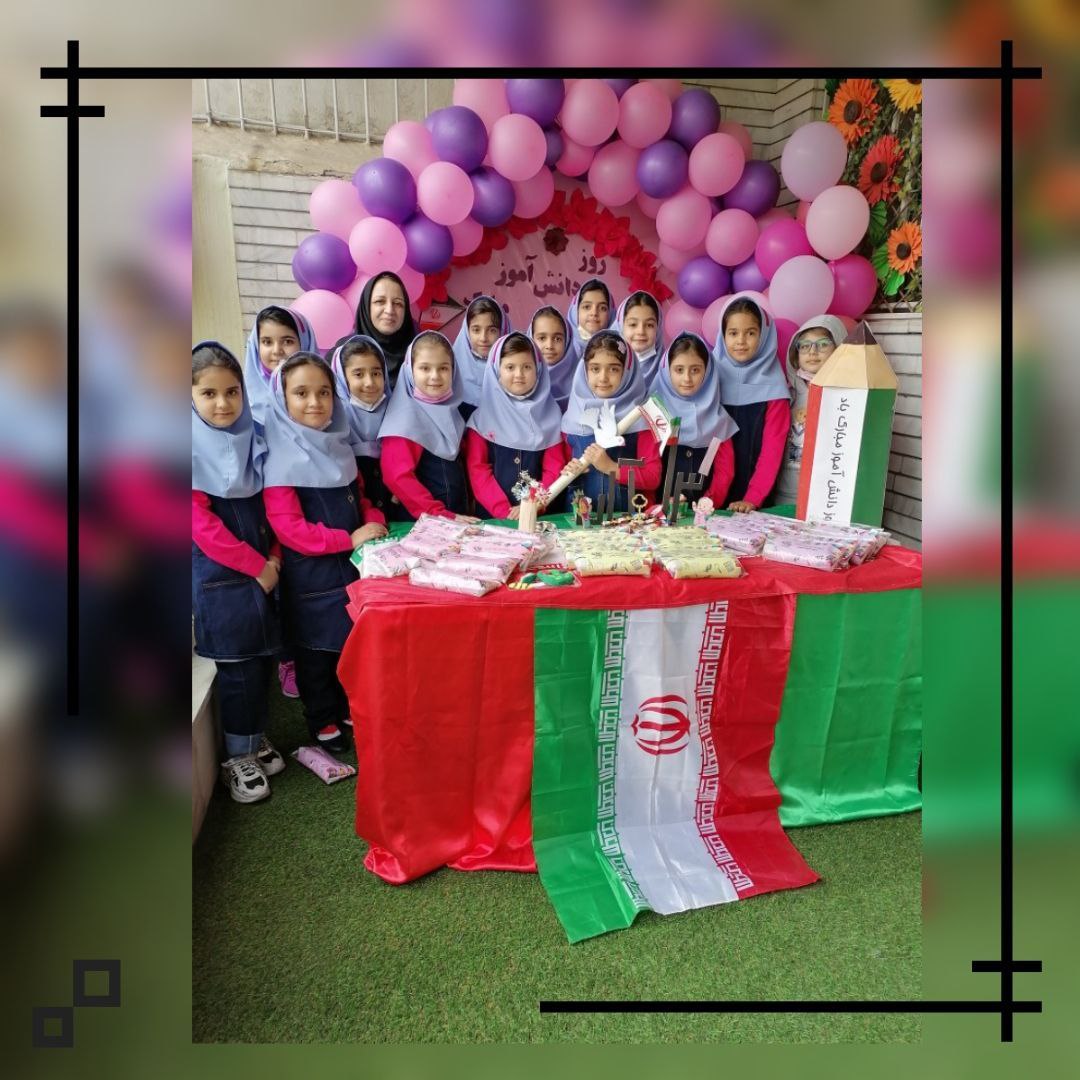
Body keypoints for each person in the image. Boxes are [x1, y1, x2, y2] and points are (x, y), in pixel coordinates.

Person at [262, 352, 387, 753]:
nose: (315, 402)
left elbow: (359, 496)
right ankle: (321, 718)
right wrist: (349, 539)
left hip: (348, 571)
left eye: (324, 392)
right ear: (282, 399)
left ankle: (345, 705)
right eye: (301, 393)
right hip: (310, 580)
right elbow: (290, 530)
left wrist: (373, 517)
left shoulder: (338, 445)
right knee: (315, 653)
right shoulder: (279, 460)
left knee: (348, 645)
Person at [191, 342, 284, 803]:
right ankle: (237, 757)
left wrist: (275, 559)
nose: (223, 404)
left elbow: (270, 506)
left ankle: (251, 735)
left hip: (262, 572)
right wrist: (258, 566)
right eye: (208, 394)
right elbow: (200, 525)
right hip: (221, 579)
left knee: (261, 660)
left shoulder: (253, 436)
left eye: (232, 392)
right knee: (237, 667)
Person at [464, 332, 568, 519]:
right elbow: (478, 472)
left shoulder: (551, 416)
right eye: (510, 367)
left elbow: (554, 469)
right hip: (494, 519)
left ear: (538, 369)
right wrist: (503, 510)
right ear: (497, 370)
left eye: (527, 367)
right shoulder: (481, 419)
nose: (519, 374)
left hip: (540, 517)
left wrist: (534, 504)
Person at [379, 331, 476, 522]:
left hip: (455, 518)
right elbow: (397, 477)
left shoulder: (453, 413)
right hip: (422, 523)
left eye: (443, 368)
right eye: (425, 368)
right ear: (410, 370)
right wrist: (440, 514)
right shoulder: (403, 420)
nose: (435, 376)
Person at [559, 329, 660, 512]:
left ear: (627, 371)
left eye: (613, 369)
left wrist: (611, 467)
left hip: (628, 521)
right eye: (595, 369)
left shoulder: (641, 419)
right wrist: (569, 471)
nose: (603, 378)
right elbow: (560, 473)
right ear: (584, 370)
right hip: (580, 522)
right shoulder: (572, 420)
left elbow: (653, 477)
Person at [712, 295, 791, 512]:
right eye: (733, 333)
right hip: (709, 494)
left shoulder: (775, 389)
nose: (741, 341)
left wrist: (753, 498)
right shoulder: (709, 379)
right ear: (722, 335)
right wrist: (709, 497)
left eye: (750, 333)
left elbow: (772, 451)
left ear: (764, 335)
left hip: (755, 498)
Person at [648, 332, 739, 508]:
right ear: (667, 370)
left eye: (695, 370)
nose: (687, 378)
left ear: (708, 371)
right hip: (659, 511)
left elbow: (724, 472)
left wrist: (708, 503)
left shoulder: (718, 419)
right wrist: (653, 507)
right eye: (679, 370)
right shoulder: (654, 414)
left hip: (704, 511)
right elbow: (647, 465)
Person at [773, 315, 849, 506]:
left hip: (828, 497)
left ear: (839, 349)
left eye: (823, 344)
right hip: (787, 492)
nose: (813, 351)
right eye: (805, 346)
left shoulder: (847, 397)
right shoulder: (787, 396)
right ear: (796, 354)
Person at [328, 334, 394, 519]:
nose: (369, 382)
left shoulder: (397, 413)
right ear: (342, 378)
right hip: (358, 517)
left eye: (376, 373)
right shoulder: (333, 423)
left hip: (398, 512)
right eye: (358, 374)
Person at [243, 305, 314, 426]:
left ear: (304, 343)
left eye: (287, 341)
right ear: (256, 345)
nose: (276, 351)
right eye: (267, 342)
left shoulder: (323, 395)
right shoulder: (241, 405)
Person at [351, 271, 416, 388]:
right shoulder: (341, 357)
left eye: (398, 303)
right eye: (380, 301)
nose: (389, 310)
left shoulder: (421, 354)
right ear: (366, 306)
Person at [452, 295, 510, 417]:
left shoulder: (516, 372)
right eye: (476, 330)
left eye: (492, 330)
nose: (483, 338)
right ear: (466, 331)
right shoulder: (450, 371)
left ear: (503, 331)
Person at [613, 290, 665, 388]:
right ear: (620, 326)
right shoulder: (603, 364)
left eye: (649, 325)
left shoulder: (669, 369)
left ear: (658, 328)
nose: (641, 331)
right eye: (633, 324)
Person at [527, 305, 573, 410]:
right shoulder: (520, 377)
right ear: (531, 339)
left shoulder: (582, 378)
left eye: (557, 339)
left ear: (567, 340)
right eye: (542, 338)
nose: (549, 346)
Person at [565, 278, 613, 365]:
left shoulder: (619, 350)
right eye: (587, 307)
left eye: (602, 308)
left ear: (610, 313)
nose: (594, 313)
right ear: (575, 311)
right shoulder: (561, 348)